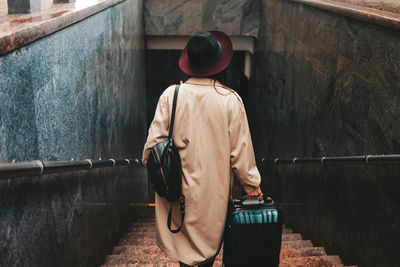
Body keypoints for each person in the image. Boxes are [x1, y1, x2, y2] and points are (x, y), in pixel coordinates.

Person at [142, 31, 263, 267]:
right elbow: (241, 153)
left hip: (177, 195)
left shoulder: (170, 96)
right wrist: (252, 185)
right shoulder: (230, 100)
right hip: (213, 197)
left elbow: (150, 150)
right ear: (218, 65)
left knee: (184, 253)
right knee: (206, 253)